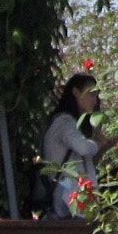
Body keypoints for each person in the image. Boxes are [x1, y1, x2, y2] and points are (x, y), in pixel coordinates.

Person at [40, 73, 101, 218]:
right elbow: (84, 148)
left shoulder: (67, 123)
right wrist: (98, 143)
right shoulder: (64, 122)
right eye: (91, 94)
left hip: (73, 199)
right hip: (68, 198)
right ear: (76, 93)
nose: (95, 100)